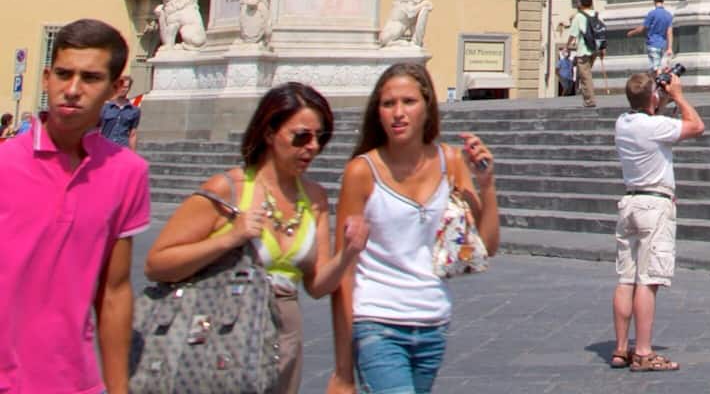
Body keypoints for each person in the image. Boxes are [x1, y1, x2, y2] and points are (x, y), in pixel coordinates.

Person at [143, 83, 365, 393]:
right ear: (270, 133)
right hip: (224, 329)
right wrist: (230, 238)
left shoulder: (313, 197)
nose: (312, 146)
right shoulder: (229, 189)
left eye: (320, 137)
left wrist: (348, 255)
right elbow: (157, 263)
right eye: (301, 136)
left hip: (284, 336)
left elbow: (316, 285)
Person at [329, 63, 501, 391]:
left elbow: (487, 246)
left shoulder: (449, 161)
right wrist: (343, 371)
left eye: (408, 102)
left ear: (427, 107)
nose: (398, 113)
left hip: (432, 323)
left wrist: (487, 185)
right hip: (377, 321)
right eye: (388, 103)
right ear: (377, 112)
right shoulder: (361, 172)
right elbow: (344, 271)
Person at [0, 19, 147, 394]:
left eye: (90, 78)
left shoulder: (127, 173)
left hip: (72, 382)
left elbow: (114, 292)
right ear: (47, 77)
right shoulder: (5, 163)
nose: (73, 89)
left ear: (116, 88)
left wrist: (118, 389)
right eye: (64, 74)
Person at [609, 70, 705, 373]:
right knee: (648, 280)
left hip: (630, 202)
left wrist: (657, 98)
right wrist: (677, 95)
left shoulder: (622, 123)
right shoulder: (655, 127)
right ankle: (644, 351)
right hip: (655, 205)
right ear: (652, 97)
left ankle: (621, 349)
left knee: (626, 278)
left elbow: (646, 113)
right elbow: (697, 126)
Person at [625, 0, 676, 76]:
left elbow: (642, 28)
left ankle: (657, 85)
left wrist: (631, 33)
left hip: (652, 44)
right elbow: (669, 32)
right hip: (663, 45)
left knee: (656, 69)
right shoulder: (668, 15)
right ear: (663, 2)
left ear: (654, 2)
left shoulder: (652, 14)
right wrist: (669, 48)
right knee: (659, 67)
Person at [567, 0, 604, 107]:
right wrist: (602, 48)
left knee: (585, 76)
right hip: (594, 50)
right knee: (587, 74)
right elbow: (601, 32)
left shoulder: (578, 16)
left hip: (583, 50)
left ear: (581, 4)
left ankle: (589, 100)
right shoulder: (596, 15)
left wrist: (567, 45)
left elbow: (573, 34)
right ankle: (587, 98)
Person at [98, 83, 140, 150]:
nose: (123, 89)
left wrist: (133, 153)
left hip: (123, 148)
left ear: (129, 89)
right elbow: (98, 129)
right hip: (106, 147)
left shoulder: (134, 110)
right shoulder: (105, 108)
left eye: (126, 87)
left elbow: (133, 134)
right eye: (121, 86)